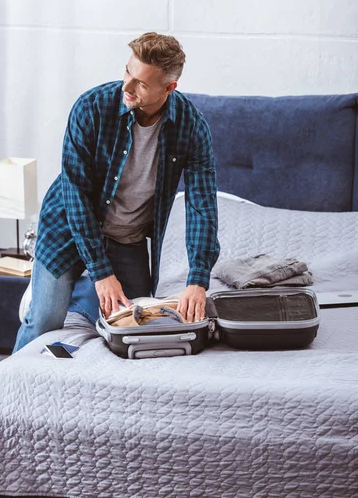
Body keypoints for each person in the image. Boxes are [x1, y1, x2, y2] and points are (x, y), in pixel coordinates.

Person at [13, 32, 220, 352]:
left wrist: (198, 280)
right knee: (44, 321)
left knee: (135, 321)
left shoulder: (191, 127)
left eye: (141, 83)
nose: (127, 86)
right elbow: (76, 192)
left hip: (127, 237)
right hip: (68, 228)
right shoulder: (91, 108)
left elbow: (201, 204)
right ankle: (64, 292)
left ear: (169, 88)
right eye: (127, 72)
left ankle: (82, 298)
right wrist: (101, 273)